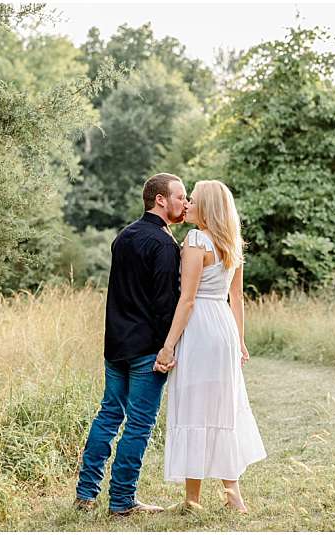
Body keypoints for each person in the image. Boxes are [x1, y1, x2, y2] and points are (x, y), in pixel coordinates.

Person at [73, 173, 188, 517]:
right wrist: (168, 348)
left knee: (108, 415)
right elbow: (165, 304)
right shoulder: (164, 245)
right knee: (138, 424)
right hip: (146, 350)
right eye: (180, 196)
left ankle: (85, 494)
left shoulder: (124, 236)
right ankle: (122, 501)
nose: (185, 203)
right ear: (160, 200)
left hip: (116, 346)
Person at [154, 180, 266, 513]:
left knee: (195, 405)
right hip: (224, 327)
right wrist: (240, 339)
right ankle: (235, 498)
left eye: (194, 200)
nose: (186, 204)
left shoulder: (196, 240)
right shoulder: (231, 241)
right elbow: (237, 297)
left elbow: (187, 300)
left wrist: (168, 346)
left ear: (207, 208)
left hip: (201, 327)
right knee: (223, 407)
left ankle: (193, 500)